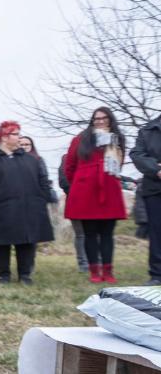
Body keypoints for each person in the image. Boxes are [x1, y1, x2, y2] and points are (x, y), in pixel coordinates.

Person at [0, 121, 54, 284]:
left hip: (27, 209)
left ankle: (25, 274)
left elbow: (42, 182)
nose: (19, 138)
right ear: (4, 137)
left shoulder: (30, 159)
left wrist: (41, 199)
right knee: (1, 243)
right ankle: (4, 274)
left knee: (26, 242)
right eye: (16, 134)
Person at [64, 107, 127, 284]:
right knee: (89, 233)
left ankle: (107, 270)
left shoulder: (117, 139)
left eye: (103, 118)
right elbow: (69, 167)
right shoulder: (80, 139)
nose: (99, 121)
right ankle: (93, 270)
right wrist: (80, 182)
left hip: (109, 189)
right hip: (86, 191)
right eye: (96, 118)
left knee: (107, 233)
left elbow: (119, 164)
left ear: (110, 120)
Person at [130, 113, 161, 285]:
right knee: (157, 234)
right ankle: (157, 275)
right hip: (155, 189)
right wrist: (156, 169)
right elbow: (137, 154)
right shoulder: (147, 130)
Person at [58, 154, 89, 273]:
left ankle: (96, 262)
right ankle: (83, 264)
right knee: (81, 234)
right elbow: (63, 181)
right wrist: (77, 192)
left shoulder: (95, 156)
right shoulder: (67, 158)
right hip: (75, 200)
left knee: (95, 234)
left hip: (93, 202)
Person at [20, 136, 59, 204]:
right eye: (21, 144)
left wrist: (44, 196)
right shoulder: (12, 159)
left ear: (31, 146)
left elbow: (44, 178)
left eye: (27, 144)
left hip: (36, 196)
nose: (24, 146)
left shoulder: (38, 159)